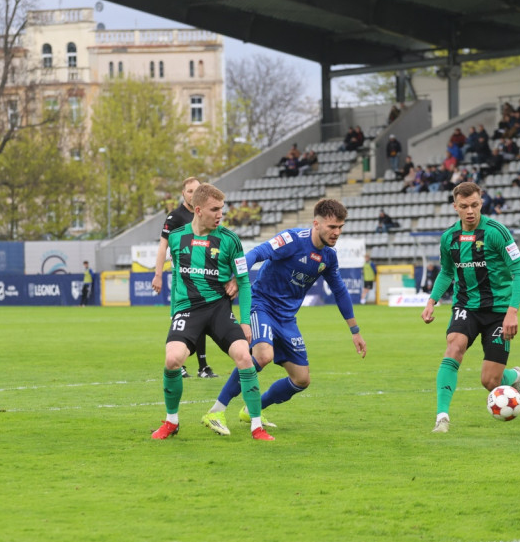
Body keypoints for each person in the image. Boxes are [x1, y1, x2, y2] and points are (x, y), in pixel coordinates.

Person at [201, 199, 366, 437]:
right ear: (316, 223)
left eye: (340, 227)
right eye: (332, 227)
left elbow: (339, 291)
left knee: (301, 379)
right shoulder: (291, 239)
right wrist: (238, 277)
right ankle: (216, 411)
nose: (337, 232)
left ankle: (251, 410)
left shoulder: (328, 256)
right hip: (263, 305)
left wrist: (355, 331)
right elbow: (257, 253)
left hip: (287, 319)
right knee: (263, 355)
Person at [152, 183, 271, 441]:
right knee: (172, 360)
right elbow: (174, 280)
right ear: (197, 210)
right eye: (214, 209)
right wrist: (175, 313)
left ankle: (257, 426)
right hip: (188, 310)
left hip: (219, 310)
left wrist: (245, 322)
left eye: (222, 209)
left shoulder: (230, 240)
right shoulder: (176, 237)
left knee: (245, 357)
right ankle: (171, 422)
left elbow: (244, 282)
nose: (220, 214)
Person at [421, 182, 520, 434]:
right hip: (466, 306)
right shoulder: (449, 238)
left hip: (499, 310)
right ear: (455, 207)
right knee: (453, 347)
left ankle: (512, 377)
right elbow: (447, 272)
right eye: (464, 206)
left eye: (475, 205)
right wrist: (431, 300)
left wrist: (512, 312)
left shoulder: (497, 232)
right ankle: (442, 417)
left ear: (481, 203)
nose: (470, 211)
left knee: (489, 381)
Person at [151, 177, 217, 378]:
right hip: (182, 278)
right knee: (179, 320)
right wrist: (158, 275)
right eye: (190, 191)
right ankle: (178, 364)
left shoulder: (204, 214)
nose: (193, 194)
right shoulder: (175, 217)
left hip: (203, 276)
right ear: (183, 194)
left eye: (197, 190)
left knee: (203, 319)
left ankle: (203, 367)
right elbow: (163, 246)